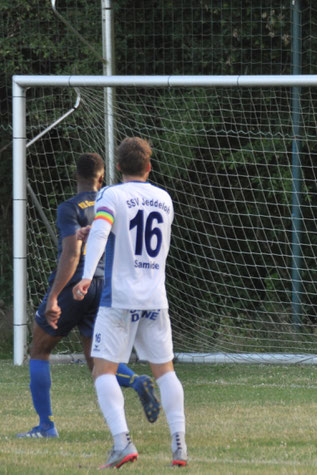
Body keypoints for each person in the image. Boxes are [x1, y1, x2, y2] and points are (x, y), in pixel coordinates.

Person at [16, 153, 160, 439]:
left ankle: (46, 426)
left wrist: (55, 296)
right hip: (106, 285)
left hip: (77, 285)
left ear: (75, 176)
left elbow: (72, 253)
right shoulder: (113, 203)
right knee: (97, 360)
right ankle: (136, 380)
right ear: (103, 177)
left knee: (39, 349)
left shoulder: (70, 207)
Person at [72, 137, 187, 469]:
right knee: (165, 372)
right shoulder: (164, 199)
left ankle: (122, 442)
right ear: (149, 167)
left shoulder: (111, 194)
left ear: (118, 167)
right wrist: (99, 227)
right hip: (155, 296)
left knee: (102, 369)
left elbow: (104, 231)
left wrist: (85, 274)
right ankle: (179, 444)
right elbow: (136, 230)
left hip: (120, 296)